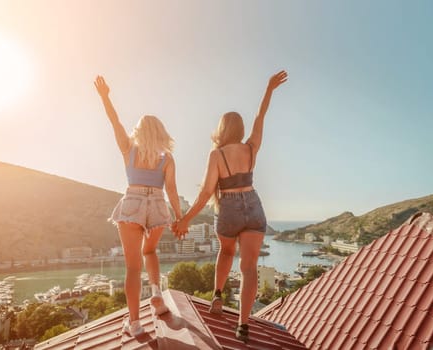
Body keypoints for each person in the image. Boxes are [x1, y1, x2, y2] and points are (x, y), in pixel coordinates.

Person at [172, 70, 288, 343]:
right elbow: (261, 118)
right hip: (253, 203)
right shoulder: (251, 149)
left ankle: (217, 295)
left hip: (229, 208)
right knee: (249, 268)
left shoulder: (217, 155)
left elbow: (205, 192)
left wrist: (186, 219)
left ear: (222, 129)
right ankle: (243, 325)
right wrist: (269, 89)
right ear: (240, 129)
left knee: (225, 252)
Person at [94, 76, 181, 337]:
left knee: (132, 267)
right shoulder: (167, 159)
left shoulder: (129, 149)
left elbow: (115, 121)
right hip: (157, 203)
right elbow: (173, 191)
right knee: (150, 252)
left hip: (132, 202)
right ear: (161, 133)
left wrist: (105, 96)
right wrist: (180, 218)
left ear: (139, 132)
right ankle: (156, 292)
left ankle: (134, 323)